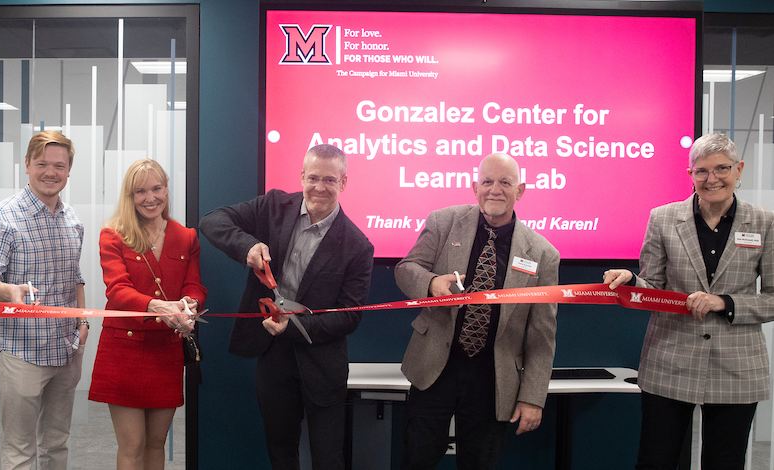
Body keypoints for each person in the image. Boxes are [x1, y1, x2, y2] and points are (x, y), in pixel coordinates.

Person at [603, 133, 774, 470]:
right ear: (690, 174)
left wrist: (724, 302)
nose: (712, 179)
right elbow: (653, 285)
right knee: (656, 460)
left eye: (722, 168)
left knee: (725, 462)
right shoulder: (663, 218)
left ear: (739, 169)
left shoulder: (766, 223)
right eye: (702, 171)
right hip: (669, 360)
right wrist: (631, 282)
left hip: (737, 367)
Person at [200, 144, 374, 470]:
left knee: (328, 458)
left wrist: (294, 326)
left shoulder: (358, 245)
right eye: (313, 178)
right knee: (281, 452)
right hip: (274, 358)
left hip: (323, 364)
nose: (320, 187)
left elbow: (350, 316)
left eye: (329, 180)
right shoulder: (274, 206)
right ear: (301, 176)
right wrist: (247, 246)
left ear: (344, 182)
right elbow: (211, 221)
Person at [395, 152, 560, 470]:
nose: (495, 189)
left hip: (493, 378)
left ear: (520, 190)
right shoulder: (443, 222)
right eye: (487, 181)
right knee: (416, 459)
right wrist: (430, 284)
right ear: (475, 187)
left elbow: (542, 335)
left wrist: (533, 397)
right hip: (435, 368)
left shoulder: (543, 254)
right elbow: (406, 270)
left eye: (505, 182)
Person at [0, 131, 88, 470]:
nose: (50, 172)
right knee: (20, 450)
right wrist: (9, 292)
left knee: (57, 444)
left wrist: (82, 325)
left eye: (59, 166)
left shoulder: (73, 221)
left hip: (66, 350)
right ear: (26, 165)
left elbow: (75, 277)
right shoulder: (3, 217)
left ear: (68, 170)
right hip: (22, 351)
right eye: (42, 164)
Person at [89, 159, 206, 470]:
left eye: (157, 188)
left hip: (165, 352)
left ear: (166, 190)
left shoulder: (186, 237)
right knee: (132, 446)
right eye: (141, 191)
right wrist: (158, 307)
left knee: (157, 443)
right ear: (130, 196)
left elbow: (194, 285)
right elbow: (117, 290)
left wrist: (189, 304)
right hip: (124, 351)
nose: (150, 197)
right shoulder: (113, 235)